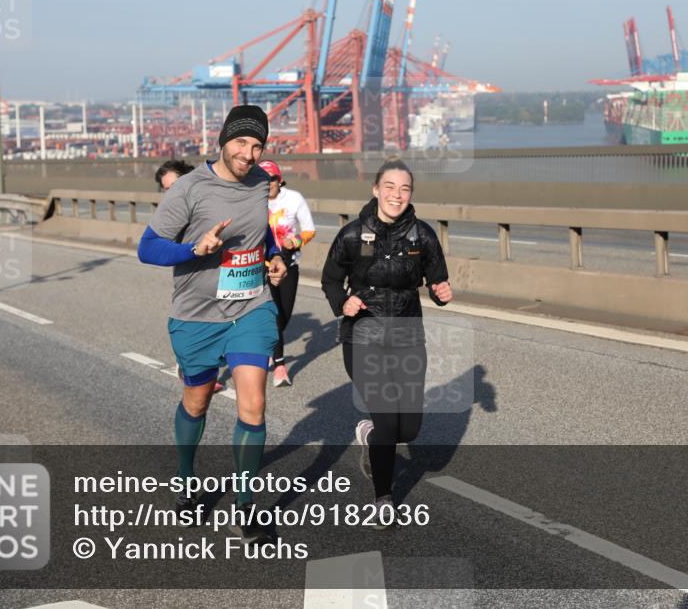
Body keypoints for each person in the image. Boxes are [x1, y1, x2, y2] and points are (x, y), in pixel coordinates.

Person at [137, 105, 286, 545]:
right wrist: (195, 250)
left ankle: (245, 505)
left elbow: (264, 232)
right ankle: (185, 476)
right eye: (241, 142)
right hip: (196, 316)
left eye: (257, 145)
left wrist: (273, 257)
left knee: (253, 404)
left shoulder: (261, 182)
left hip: (250, 306)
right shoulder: (189, 188)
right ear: (223, 140)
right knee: (197, 401)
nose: (249, 153)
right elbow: (148, 249)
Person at [320, 158, 452, 526]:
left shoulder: (423, 235)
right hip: (363, 334)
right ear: (376, 189)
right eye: (389, 187)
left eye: (404, 188)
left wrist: (441, 292)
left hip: (408, 334)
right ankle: (383, 498)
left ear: (411, 194)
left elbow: (437, 281)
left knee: (408, 429)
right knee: (389, 422)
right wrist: (341, 303)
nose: (397, 194)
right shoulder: (352, 234)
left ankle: (371, 434)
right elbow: (330, 280)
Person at [260, 160, 316, 388]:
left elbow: (310, 229)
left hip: (289, 263)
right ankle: (280, 367)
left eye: (271, 179)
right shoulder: (253, 199)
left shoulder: (294, 199)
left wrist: (297, 240)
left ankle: (267, 346)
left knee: (284, 316)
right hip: (262, 266)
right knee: (273, 315)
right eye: (263, 179)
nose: (268, 183)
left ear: (279, 179)